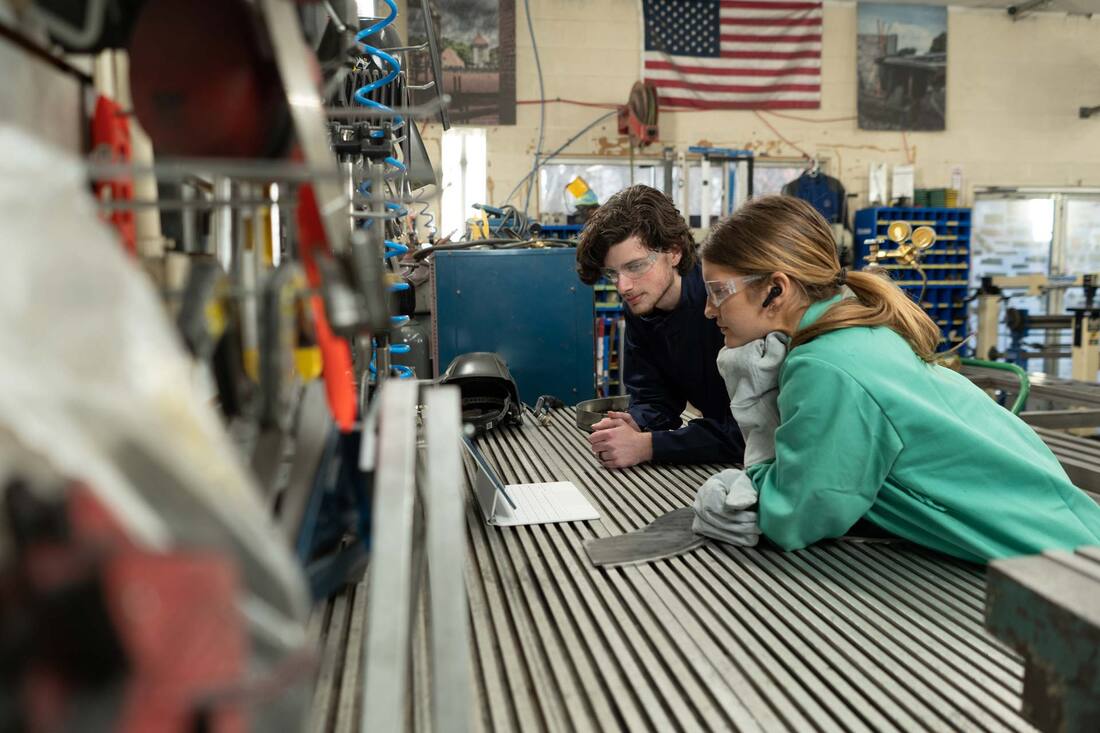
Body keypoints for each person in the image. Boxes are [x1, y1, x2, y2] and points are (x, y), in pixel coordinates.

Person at [693, 195, 1100, 563]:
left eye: (718, 291)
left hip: (1061, 566)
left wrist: (748, 488)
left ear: (774, 290)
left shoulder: (824, 365)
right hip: (1068, 530)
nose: (710, 310)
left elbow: (798, 517)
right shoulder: (853, 330)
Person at [575, 185, 744, 469]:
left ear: (674, 252)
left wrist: (649, 446)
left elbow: (754, 432)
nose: (623, 286)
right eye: (612, 273)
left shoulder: (726, 303)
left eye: (636, 266)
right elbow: (654, 397)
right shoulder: (642, 308)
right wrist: (637, 422)